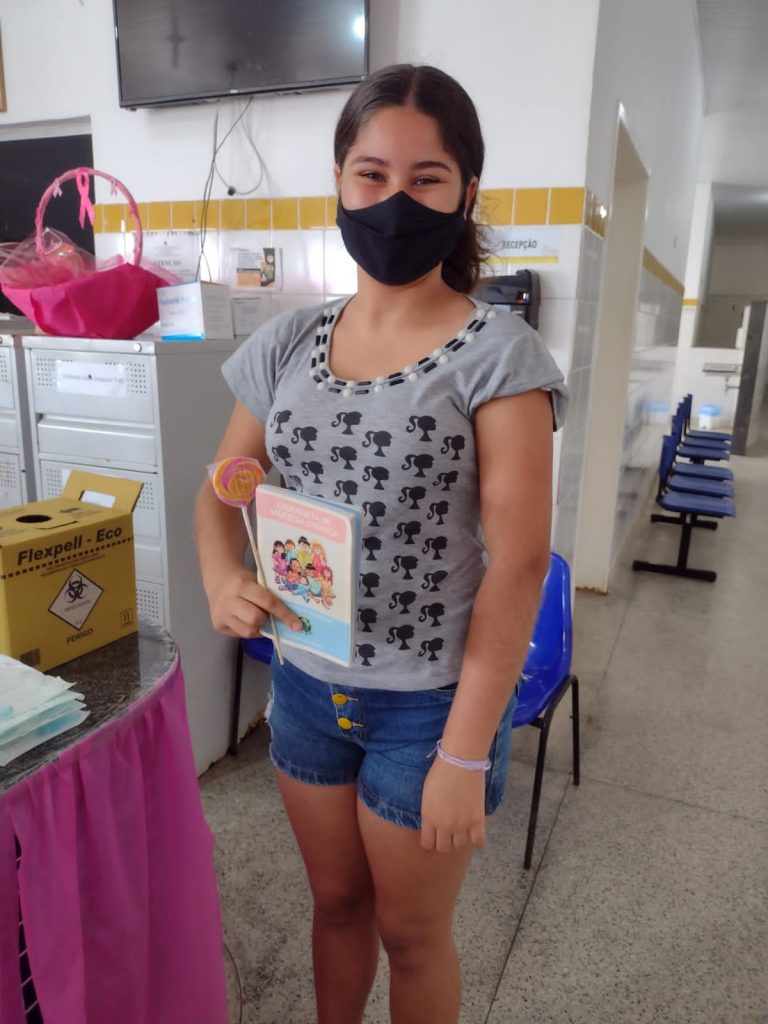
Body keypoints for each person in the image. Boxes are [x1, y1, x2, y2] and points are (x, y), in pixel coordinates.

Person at [195, 63, 567, 1024]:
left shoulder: (500, 357)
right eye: (371, 174)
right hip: (305, 687)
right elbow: (223, 486)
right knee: (335, 904)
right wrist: (221, 575)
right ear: (339, 182)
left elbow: (521, 563)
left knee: (412, 935)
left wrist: (465, 754)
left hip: (428, 708)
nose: (395, 200)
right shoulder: (289, 342)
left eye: (426, 178)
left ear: (467, 192)